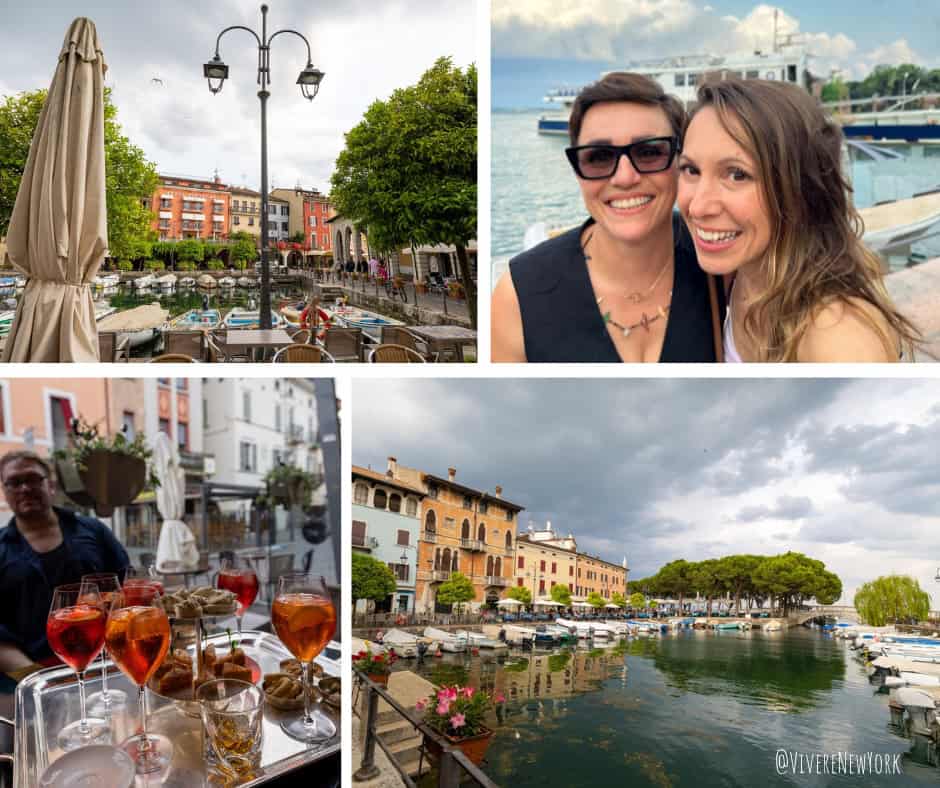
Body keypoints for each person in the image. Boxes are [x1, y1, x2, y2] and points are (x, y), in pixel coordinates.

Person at [677, 78, 920, 362]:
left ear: (800, 189)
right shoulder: (739, 274)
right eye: (690, 169)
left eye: (737, 174)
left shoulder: (836, 335)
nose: (698, 206)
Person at [492, 72, 724, 363]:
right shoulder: (518, 297)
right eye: (599, 157)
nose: (625, 177)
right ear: (578, 170)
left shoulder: (721, 262)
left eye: (650, 152)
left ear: (681, 160)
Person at [0, 451, 130, 682]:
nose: (25, 488)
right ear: (4, 490)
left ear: (51, 484)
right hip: (31, 674)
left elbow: (126, 588)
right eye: (14, 482)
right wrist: (39, 680)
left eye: (32, 479)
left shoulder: (93, 530)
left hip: (105, 665)